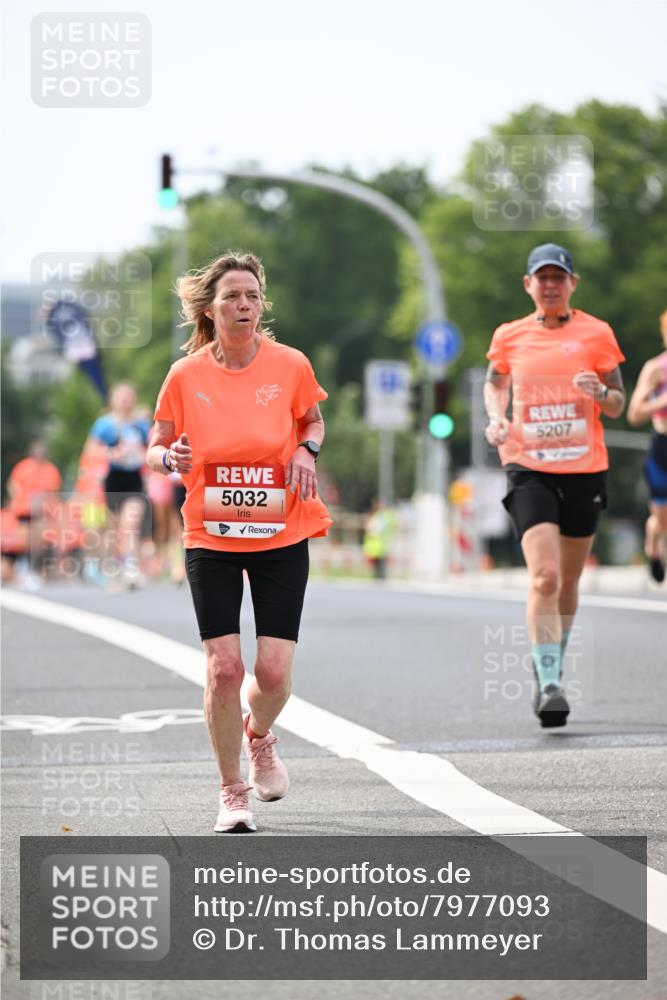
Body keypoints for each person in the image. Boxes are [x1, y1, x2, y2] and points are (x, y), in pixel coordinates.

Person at [147, 251, 331, 832]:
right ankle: (231, 793)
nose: (244, 305)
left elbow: (313, 421)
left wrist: (306, 450)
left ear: (261, 304)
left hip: (281, 530)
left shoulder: (290, 365)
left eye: (252, 295)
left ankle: (259, 737)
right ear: (211, 307)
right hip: (212, 533)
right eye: (232, 296)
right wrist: (167, 455)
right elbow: (156, 445)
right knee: (224, 669)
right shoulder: (186, 375)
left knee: (272, 675)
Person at [484, 243, 626, 728]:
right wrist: (495, 418)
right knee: (543, 576)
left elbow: (618, 404)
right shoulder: (509, 336)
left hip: (584, 468)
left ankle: (552, 657)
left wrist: (600, 393)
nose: (549, 285)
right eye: (541, 278)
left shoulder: (597, 333)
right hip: (528, 466)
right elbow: (495, 382)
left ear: (572, 284)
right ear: (528, 285)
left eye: (557, 278)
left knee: (568, 580)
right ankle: (549, 683)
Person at [86, 383, 150, 587]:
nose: (125, 399)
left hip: (134, 480)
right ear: (113, 399)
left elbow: (153, 449)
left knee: (130, 524)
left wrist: (143, 456)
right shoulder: (104, 424)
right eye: (121, 395)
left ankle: (131, 570)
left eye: (128, 395)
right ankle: (112, 569)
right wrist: (111, 454)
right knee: (113, 529)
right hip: (113, 479)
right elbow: (90, 451)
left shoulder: (141, 425)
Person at [627, 309, 667, 583]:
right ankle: (653, 542)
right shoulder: (656, 368)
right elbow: (634, 413)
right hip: (662, 450)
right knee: (663, 521)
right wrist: (663, 402)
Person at [6, 439, 62, 584]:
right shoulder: (23, 467)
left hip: (41, 511)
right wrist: (18, 497)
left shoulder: (51, 470)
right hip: (23, 509)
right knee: (24, 539)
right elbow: (13, 484)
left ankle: (33, 569)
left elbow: (54, 492)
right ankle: (21, 567)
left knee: (38, 541)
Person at [363, 499, 397, 579]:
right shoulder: (385, 516)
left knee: (379, 565)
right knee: (378, 565)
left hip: (378, 544)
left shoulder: (381, 517)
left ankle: (379, 576)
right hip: (379, 545)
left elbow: (373, 529)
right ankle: (380, 576)